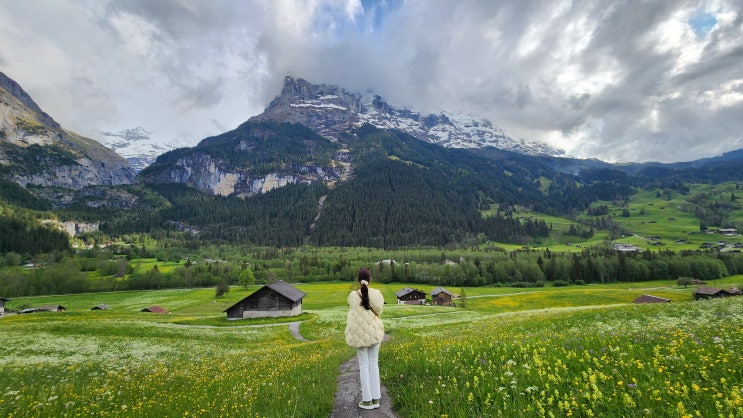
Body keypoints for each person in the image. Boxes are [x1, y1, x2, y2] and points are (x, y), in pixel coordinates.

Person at [345, 268, 385, 410]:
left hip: (359, 336)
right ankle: (376, 399)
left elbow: (351, 307)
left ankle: (367, 401)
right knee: (374, 364)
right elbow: (379, 311)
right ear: (370, 279)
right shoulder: (377, 294)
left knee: (363, 365)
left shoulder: (352, 295)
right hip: (374, 333)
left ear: (358, 280)